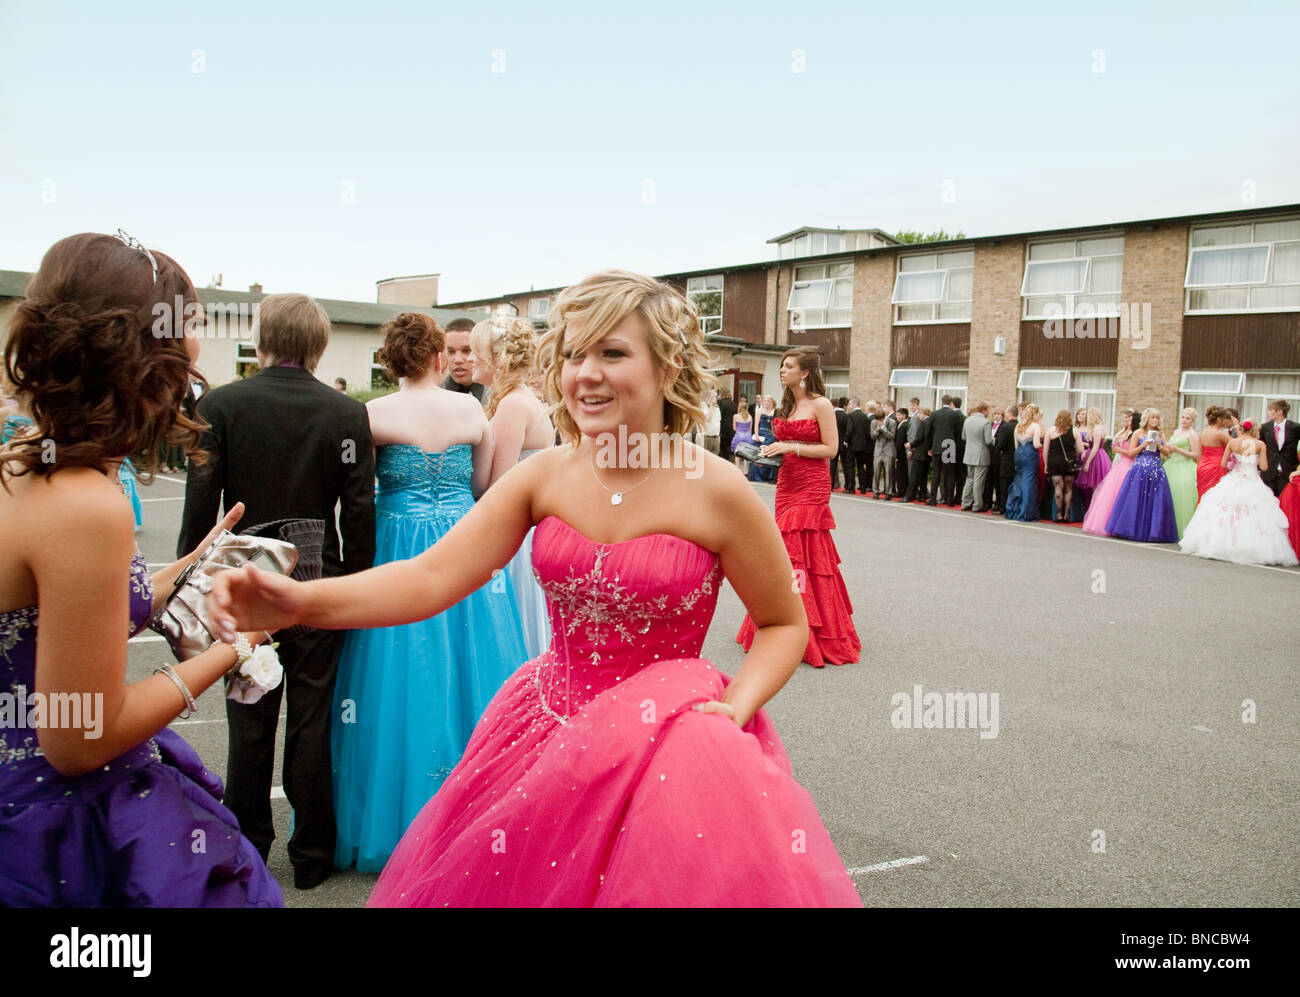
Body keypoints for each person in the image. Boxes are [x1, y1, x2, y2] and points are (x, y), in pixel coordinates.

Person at [209, 269, 862, 907]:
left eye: (613, 351)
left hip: (669, 755)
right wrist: (301, 600)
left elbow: (783, 622)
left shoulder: (719, 489)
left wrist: (735, 706)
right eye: (575, 352)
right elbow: (430, 576)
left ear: (667, 366)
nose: (587, 372)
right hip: (546, 737)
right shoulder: (543, 476)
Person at [0, 231, 281, 906]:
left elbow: (52, 616)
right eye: (181, 375)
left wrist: (184, 568)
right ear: (141, 372)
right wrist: (238, 643)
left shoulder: (24, 469)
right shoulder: (87, 507)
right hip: (58, 826)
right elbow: (80, 737)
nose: (183, 398)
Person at [178, 292, 376, 891]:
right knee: (313, 721)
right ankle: (312, 854)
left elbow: (200, 514)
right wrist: (357, 589)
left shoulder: (221, 405)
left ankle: (248, 846)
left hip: (242, 583)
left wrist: (190, 588)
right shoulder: (345, 413)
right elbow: (359, 513)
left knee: (249, 719)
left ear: (261, 341)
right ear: (317, 346)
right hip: (318, 580)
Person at [329, 312, 528, 873]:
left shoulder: (372, 414)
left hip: (399, 543)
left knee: (396, 672)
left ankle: (399, 812)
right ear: (440, 357)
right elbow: (487, 488)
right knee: (474, 667)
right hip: (464, 544)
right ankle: (479, 811)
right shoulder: (470, 409)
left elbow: (357, 494)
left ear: (389, 361)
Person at [738, 347, 861, 668]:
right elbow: (788, 447)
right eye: (781, 365)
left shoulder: (821, 404)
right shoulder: (790, 405)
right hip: (787, 483)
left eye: (788, 366)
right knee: (787, 554)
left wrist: (792, 446)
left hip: (812, 486)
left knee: (802, 554)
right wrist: (768, 449)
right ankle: (785, 623)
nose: (782, 370)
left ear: (805, 372)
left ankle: (805, 631)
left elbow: (831, 450)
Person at [471, 314, 555, 659]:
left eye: (476, 351)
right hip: (528, 530)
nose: (471, 359)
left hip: (514, 538)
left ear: (497, 358)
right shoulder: (522, 400)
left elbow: (498, 488)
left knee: (512, 624)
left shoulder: (512, 405)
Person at [1180, 420, 1298, 566]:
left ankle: (1219, 544)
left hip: (1234, 477)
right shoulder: (1260, 445)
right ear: (1255, 430)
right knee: (1256, 514)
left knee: (1223, 511)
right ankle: (1250, 547)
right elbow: (1264, 466)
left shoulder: (1233, 442)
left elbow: (1223, 464)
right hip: (1252, 479)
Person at [1104, 409, 1179, 543]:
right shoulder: (1138, 433)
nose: (1155, 421)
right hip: (1140, 467)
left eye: (1157, 418)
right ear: (1147, 419)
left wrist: (1160, 447)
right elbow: (1131, 453)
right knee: (1136, 498)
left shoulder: (1160, 434)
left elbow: (1168, 453)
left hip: (1156, 468)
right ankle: (1132, 528)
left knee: (1156, 499)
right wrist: (1143, 445)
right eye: (1152, 418)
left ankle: (1154, 531)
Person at [1081, 411, 1137, 537]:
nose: (1126, 421)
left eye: (1128, 418)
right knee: (1109, 490)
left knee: (1114, 490)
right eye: (1125, 418)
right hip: (1118, 460)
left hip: (1126, 461)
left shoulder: (1132, 433)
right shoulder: (1122, 431)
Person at [1163, 407, 1201, 539]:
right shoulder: (1176, 431)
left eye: (1188, 418)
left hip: (1184, 467)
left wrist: (1177, 449)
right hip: (1171, 465)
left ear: (1193, 420)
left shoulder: (1193, 434)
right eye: (1183, 417)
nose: (1184, 420)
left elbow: (1196, 454)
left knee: (1182, 498)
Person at [1003, 404, 1043, 522]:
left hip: (1019, 454)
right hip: (1030, 455)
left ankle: (1013, 509)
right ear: (1034, 414)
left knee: (1019, 480)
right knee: (1029, 482)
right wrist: (1043, 444)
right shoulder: (1035, 426)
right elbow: (1036, 444)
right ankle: (1026, 512)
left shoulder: (1018, 426)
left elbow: (1016, 445)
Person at [1044, 409, 1083, 523]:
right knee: (1068, 489)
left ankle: (1058, 514)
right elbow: (1080, 449)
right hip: (1069, 462)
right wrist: (1072, 448)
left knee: (1058, 487)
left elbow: (1046, 449)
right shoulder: (1075, 431)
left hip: (1054, 462)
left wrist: (1046, 464)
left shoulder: (1051, 431)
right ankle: (1066, 514)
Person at [1073, 407, 1111, 515]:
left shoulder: (1098, 429)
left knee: (1096, 484)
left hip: (1097, 457)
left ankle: (1096, 511)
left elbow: (1095, 447)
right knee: (1092, 485)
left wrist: (1088, 461)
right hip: (1093, 454)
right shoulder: (1094, 428)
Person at [927, 395, 963, 506]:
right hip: (949, 446)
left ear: (941, 402)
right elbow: (958, 432)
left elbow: (928, 431)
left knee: (936, 473)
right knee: (950, 474)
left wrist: (929, 447)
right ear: (951, 402)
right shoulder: (954, 415)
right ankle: (949, 500)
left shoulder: (935, 414)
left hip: (937, 446)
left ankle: (933, 499)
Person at [441, 317, 486, 404]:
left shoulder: (501, 394)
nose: (458, 360)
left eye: (466, 350)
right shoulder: (433, 393)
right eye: (451, 351)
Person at [1260, 400, 1300, 497]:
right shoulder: (1265, 428)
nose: (1268, 413)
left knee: (1284, 504)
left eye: (1270, 410)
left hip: (1288, 472)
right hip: (1269, 472)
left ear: (1279, 412)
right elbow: (1261, 448)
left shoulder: (1295, 428)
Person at [960, 401, 993, 512]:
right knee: (979, 481)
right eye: (988, 409)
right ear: (984, 410)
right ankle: (977, 504)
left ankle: (965, 502)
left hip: (969, 453)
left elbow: (964, 437)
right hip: (981, 454)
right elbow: (988, 441)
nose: (989, 412)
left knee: (969, 479)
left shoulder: (967, 420)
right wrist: (995, 441)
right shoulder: (986, 423)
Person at [1196, 406, 1234, 500]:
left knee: (1203, 495)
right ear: (1219, 419)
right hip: (1216, 467)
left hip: (1202, 466)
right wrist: (1236, 426)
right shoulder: (1219, 434)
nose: (1228, 421)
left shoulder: (1203, 432)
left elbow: (1199, 454)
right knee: (1215, 496)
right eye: (1226, 418)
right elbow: (1238, 445)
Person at [991, 405, 1016, 514]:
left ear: (1009, 414)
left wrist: (996, 452)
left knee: (1004, 484)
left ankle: (1003, 506)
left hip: (1005, 459)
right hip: (1017, 458)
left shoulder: (1005, 427)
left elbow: (1001, 444)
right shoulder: (1019, 426)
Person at [903, 406, 932, 503]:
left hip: (919, 453)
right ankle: (922, 495)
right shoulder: (930, 423)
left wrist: (910, 444)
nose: (919, 415)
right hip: (926, 454)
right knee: (923, 476)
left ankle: (909, 495)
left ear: (924, 413)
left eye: (920, 413)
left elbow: (920, 437)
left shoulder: (924, 423)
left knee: (914, 475)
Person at [748, 395, 777, 483]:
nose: (767, 403)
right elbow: (756, 424)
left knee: (768, 454)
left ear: (772, 402)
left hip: (770, 435)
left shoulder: (774, 412)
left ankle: (768, 476)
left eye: (769, 401)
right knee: (758, 454)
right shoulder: (760, 411)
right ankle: (755, 476)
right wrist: (756, 435)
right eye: (765, 401)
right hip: (760, 434)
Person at [869, 404, 896, 500]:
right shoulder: (873, 422)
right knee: (876, 472)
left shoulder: (892, 422)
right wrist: (878, 429)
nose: (878, 421)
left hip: (888, 450)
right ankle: (875, 492)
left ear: (884, 418)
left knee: (889, 472)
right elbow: (872, 436)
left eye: (880, 419)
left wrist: (884, 428)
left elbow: (892, 436)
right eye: (877, 420)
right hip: (878, 450)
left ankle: (888, 492)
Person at [846, 397, 871, 495]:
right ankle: (863, 487)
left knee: (851, 466)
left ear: (854, 404)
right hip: (862, 445)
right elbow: (867, 432)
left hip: (852, 445)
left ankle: (851, 487)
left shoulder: (851, 416)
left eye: (850, 404)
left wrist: (846, 440)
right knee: (861, 466)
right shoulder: (865, 417)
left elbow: (850, 430)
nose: (849, 406)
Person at [830, 397, 849, 491]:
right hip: (843, 444)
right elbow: (848, 430)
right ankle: (847, 485)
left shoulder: (832, 415)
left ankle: (831, 484)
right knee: (845, 465)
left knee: (833, 465)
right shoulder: (846, 416)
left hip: (834, 442)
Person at [731, 396, 754, 468]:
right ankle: (745, 471)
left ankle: (737, 469)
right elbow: (750, 429)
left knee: (737, 455)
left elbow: (734, 428)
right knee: (746, 456)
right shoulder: (750, 417)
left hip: (739, 436)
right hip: (747, 436)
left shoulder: (736, 416)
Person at [893, 406, 910, 499]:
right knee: (902, 472)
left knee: (901, 473)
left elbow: (899, 442)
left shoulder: (903, 426)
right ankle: (902, 489)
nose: (897, 416)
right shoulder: (904, 424)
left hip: (901, 454)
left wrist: (896, 453)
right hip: (903, 454)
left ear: (904, 415)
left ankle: (901, 490)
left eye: (899, 415)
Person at [700, 388, 721, 456]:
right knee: (706, 459)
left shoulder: (717, 407)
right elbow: (708, 418)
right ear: (709, 397)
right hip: (707, 438)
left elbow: (718, 421)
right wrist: (712, 406)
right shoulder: (704, 406)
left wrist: (718, 436)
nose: (716, 398)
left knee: (715, 458)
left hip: (716, 437)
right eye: (715, 396)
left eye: (716, 396)